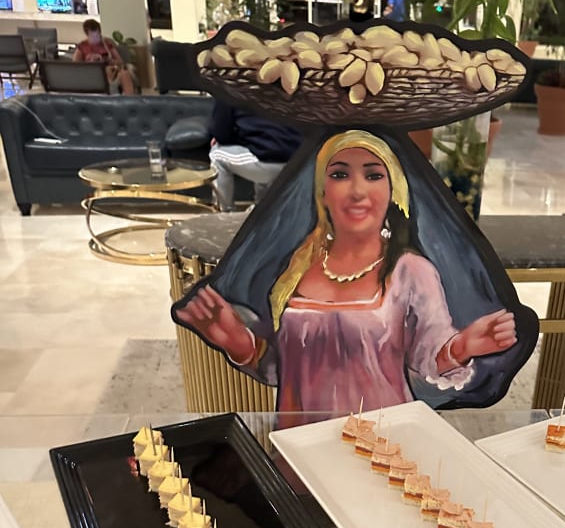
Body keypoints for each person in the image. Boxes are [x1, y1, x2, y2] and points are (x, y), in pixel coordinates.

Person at [175, 130, 522, 413]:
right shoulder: (297, 266)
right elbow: (289, 370)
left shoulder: (411, 272)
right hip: (300, 445)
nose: (357, 191)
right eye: (340, 174)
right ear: (322, 192)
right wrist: (244, 346)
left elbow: (428, 360)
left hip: (383, 448)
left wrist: (461, 347)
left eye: (373, 175)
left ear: (394, 190)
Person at [209, 102, 302, 212]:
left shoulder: (230, 93)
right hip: (300, 161)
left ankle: (224, 212)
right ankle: (261, 208)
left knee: (216, 154)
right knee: (259, 145)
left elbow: (221, 134)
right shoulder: (292, 92)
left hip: (268, 163)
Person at [73, 18, 136, 95]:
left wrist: (108, 60)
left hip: (110, 72)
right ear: (87, 35)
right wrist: (90, 61)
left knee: (124, 74)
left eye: (97, 36)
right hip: (91, 75)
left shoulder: (106, 43)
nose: (96, 39)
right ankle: (111, 93)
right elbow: (75, 66)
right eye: (92, 36)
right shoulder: (82, 46)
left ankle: (128, 100)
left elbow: (120, 61)